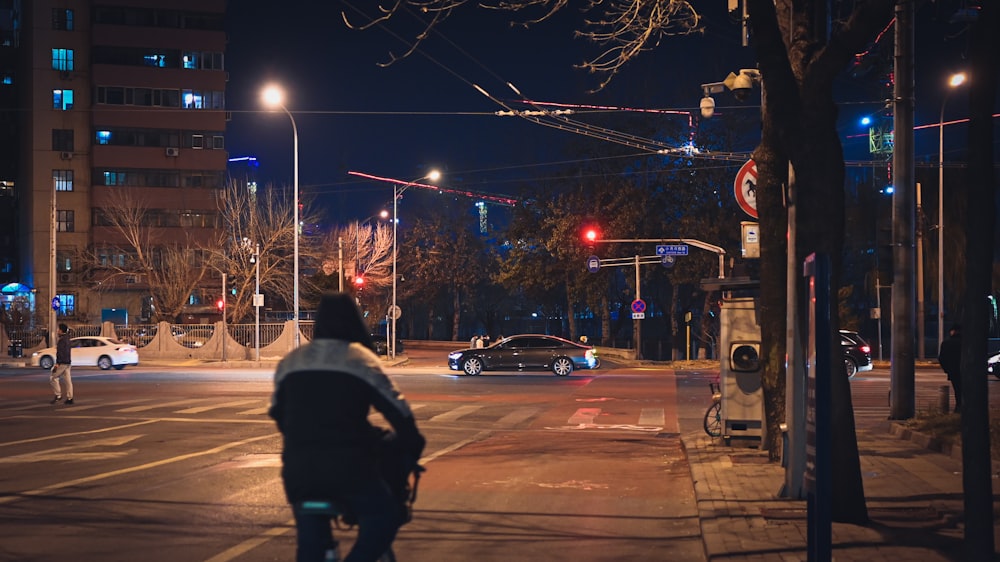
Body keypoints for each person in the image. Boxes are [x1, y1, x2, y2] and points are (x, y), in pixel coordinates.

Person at [270, 292, 425, 562]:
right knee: (384, 517)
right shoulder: (360, 360)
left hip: (299, 472)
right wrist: (408, 447)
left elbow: (279, 415)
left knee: (310, 545)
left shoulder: (291, 362)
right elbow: (401, 418)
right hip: (349, 469)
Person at [938, 324, 962, 413]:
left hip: (953, 371)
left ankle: (959, 407)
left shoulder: (946, 343)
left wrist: (947, 369)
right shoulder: (967, 343)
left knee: (957, 390)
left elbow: (941, 358)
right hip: (966, 371)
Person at [49, 323, 73, 405]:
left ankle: (58, 395)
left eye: (58, 329)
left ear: (61, 330)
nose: (57, 331)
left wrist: (57, 363)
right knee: (68, 381)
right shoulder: (68, 339)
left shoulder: (62, 340)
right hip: (68, 362)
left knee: (53, 377)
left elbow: (60, 353)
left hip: (62, 362)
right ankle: (70, 398)